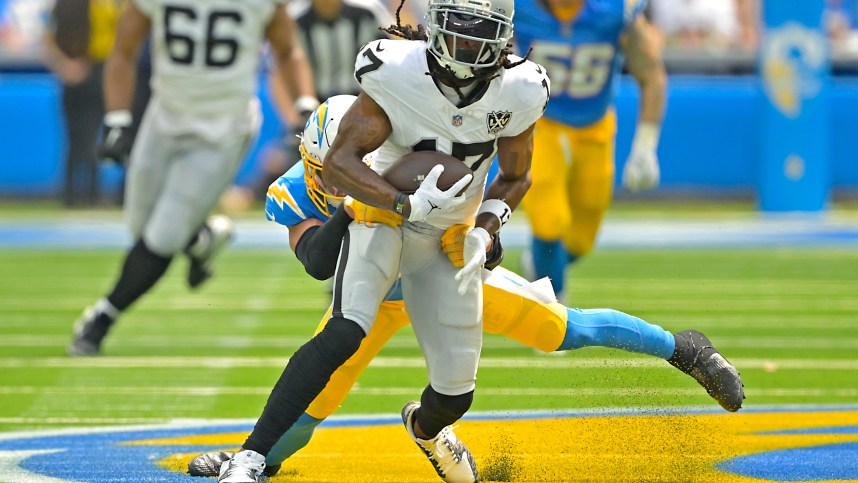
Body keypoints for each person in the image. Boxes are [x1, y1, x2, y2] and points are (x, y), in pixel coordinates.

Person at [187, 95, 744, 480]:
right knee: (308, 410)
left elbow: (479, 224)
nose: (342, 170)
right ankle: (254, 458)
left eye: (352, 162)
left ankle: (684, 348)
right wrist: (357, 205)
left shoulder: (408, 158)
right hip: (370, 296)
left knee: (560, 328)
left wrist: (483, 240)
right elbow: (316, 259)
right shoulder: (296, 191)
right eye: (333, 166)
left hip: (441, 274)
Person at [215, 0, 551, 481]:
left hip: (446, 237)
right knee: (344, 330)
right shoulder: (394, 70)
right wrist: (402, 204)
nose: (470, 43)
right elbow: (339, 165)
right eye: (460, 29)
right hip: (383, 216)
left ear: (504, 36)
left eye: (483, 31)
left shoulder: (521, 88)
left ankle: (426, 427)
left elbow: (517, 176)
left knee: (456, 394)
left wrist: (486, 228)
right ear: (435, 26)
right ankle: (249, 459)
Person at [66, 0, 316, 356]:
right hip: (163, 121)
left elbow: (288, 49)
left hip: (223, 130)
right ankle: (203, 238)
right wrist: (117, 119)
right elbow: (122, 50)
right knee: (141, 230)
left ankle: (101, 318)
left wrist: (304, 104)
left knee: (162, 239)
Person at [513, 0, 667, 301]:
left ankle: (540, 264)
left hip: (594, 128)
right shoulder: (519, 8)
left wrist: (646, 146)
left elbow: (652, 74)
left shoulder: (616, 10)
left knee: (582, 240)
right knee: (548, 219)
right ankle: (552, 308)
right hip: (539, 122)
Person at [42, 0, 122, 207]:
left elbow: (48, 42)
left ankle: (74, 194)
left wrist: (66, 66)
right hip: (94, 70)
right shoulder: (104, 5)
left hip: (81, 71)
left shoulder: (65, 5)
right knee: (87, 135)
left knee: (78, 136)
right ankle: (88, 194)